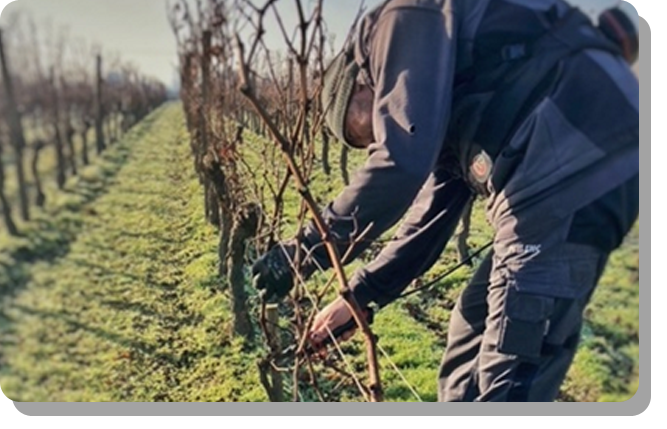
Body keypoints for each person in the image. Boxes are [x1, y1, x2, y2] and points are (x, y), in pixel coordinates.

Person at [251, 0, 639, 402]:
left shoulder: (401, 17)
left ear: (362, 84)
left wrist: (304, 250)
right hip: (572, 158)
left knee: (506, 377)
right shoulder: (439, 100)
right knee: (470, 328)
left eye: (362, 132)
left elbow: (401, 162)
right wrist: (360, 297)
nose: (374, 143)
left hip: (574, 158)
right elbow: (430, 218)